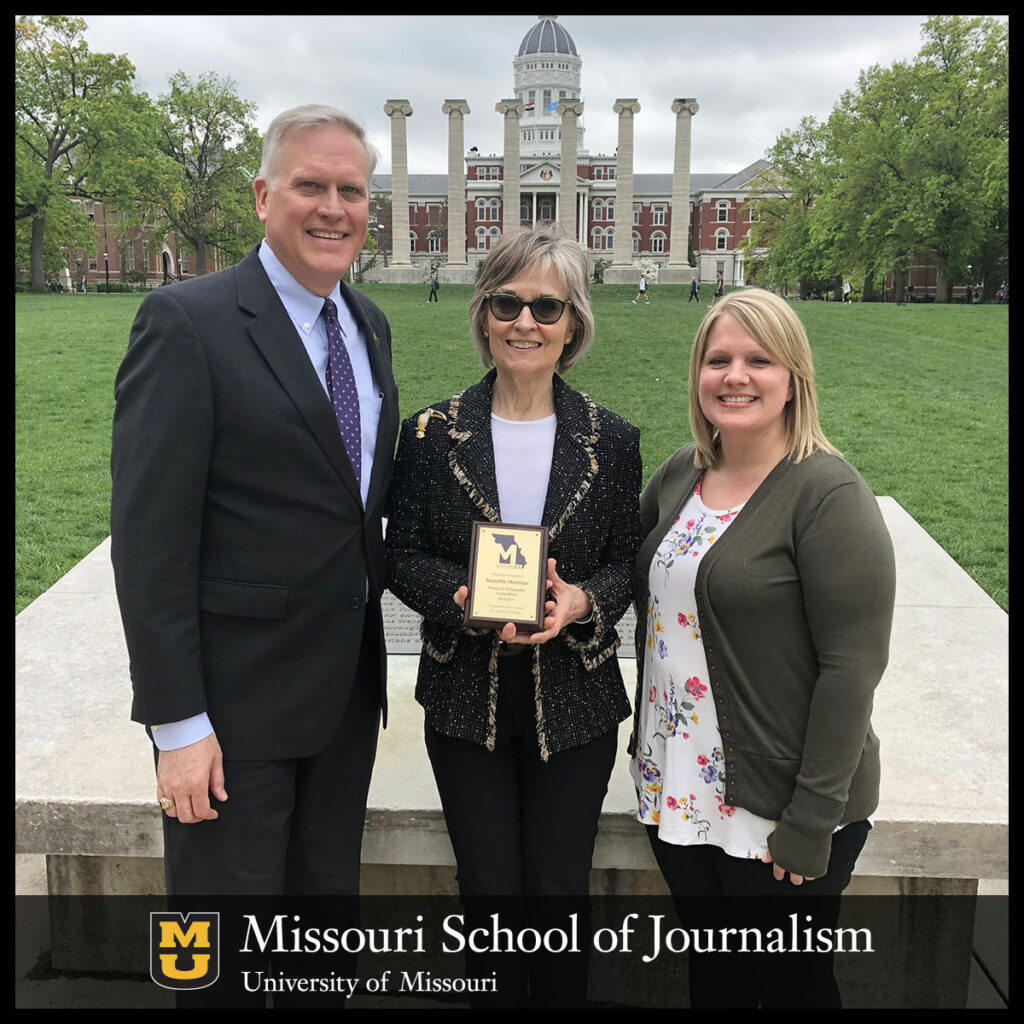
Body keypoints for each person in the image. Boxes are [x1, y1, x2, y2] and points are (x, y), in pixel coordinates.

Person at [111, 105, 398, 1003]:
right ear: (262, 195)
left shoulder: (368, 324)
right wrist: (178, 725)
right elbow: (150, 542)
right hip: (231, 714)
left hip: (342, 701)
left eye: (350, 190)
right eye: (310, 185)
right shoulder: (187, 323)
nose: (332, 208)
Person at [386, 226, 642, 1007]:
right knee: (490, 891)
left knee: (560, 888)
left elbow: (628, 561)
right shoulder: (432, 435)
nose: (524, 322)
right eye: (507, 303)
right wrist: (458, 598)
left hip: (577, 701)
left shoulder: (612, 439)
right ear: (484, 313)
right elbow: (400, 553)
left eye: (546, 307)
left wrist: (582, 601)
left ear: (573, 324)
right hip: (467, 698)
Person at [630, 288, 895, 1008]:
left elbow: (852, 669)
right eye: (718, 359)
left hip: (777, 807)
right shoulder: (684, 472)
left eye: (758, 360)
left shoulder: (826, 493)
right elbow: (638, 581)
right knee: (715, 979)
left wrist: (811, 822)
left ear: (793, 378)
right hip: (680, 791)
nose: (735, 376)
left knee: (789, 988)